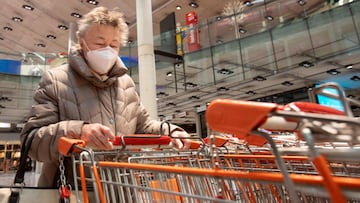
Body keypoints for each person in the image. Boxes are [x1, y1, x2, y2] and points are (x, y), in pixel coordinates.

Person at [20, 6, 190, 188]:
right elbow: (32, 142)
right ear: (81, 41)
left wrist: (169, 131)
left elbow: (144, 126)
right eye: (100, 44)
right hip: (72, 190)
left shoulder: (126, 84)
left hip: (121, 190)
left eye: (114, 44)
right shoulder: (55, 80)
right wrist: (78, 130)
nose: (107, 50)